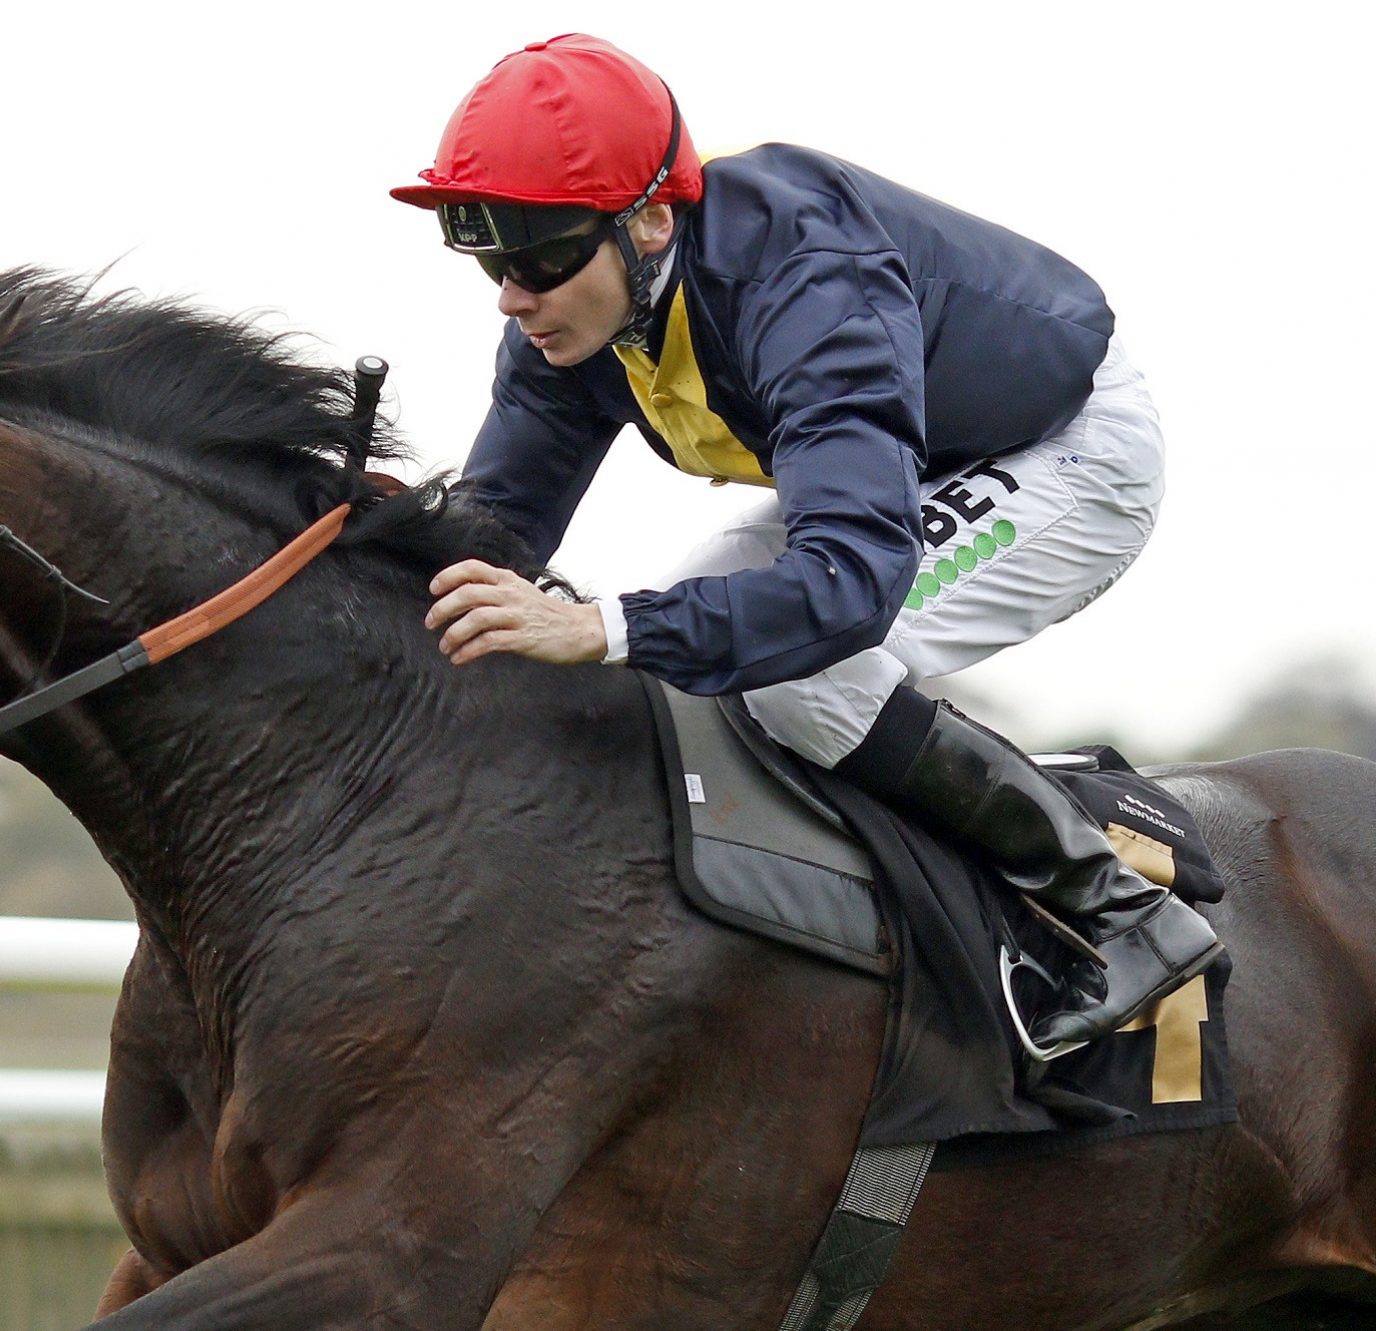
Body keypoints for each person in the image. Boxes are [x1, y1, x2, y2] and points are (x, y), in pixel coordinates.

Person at [392, 33, 1221, 1056]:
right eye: (487, 259)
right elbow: (494, 535)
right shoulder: (571, 320)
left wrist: (600, 623)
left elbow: (846, 587)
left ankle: (1124, 911)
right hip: (901, 469)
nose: (512, 296)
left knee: (797, 672)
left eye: (537, 256)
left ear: (651, 221)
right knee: (677, 670)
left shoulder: (804, 278)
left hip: (1069, 451)